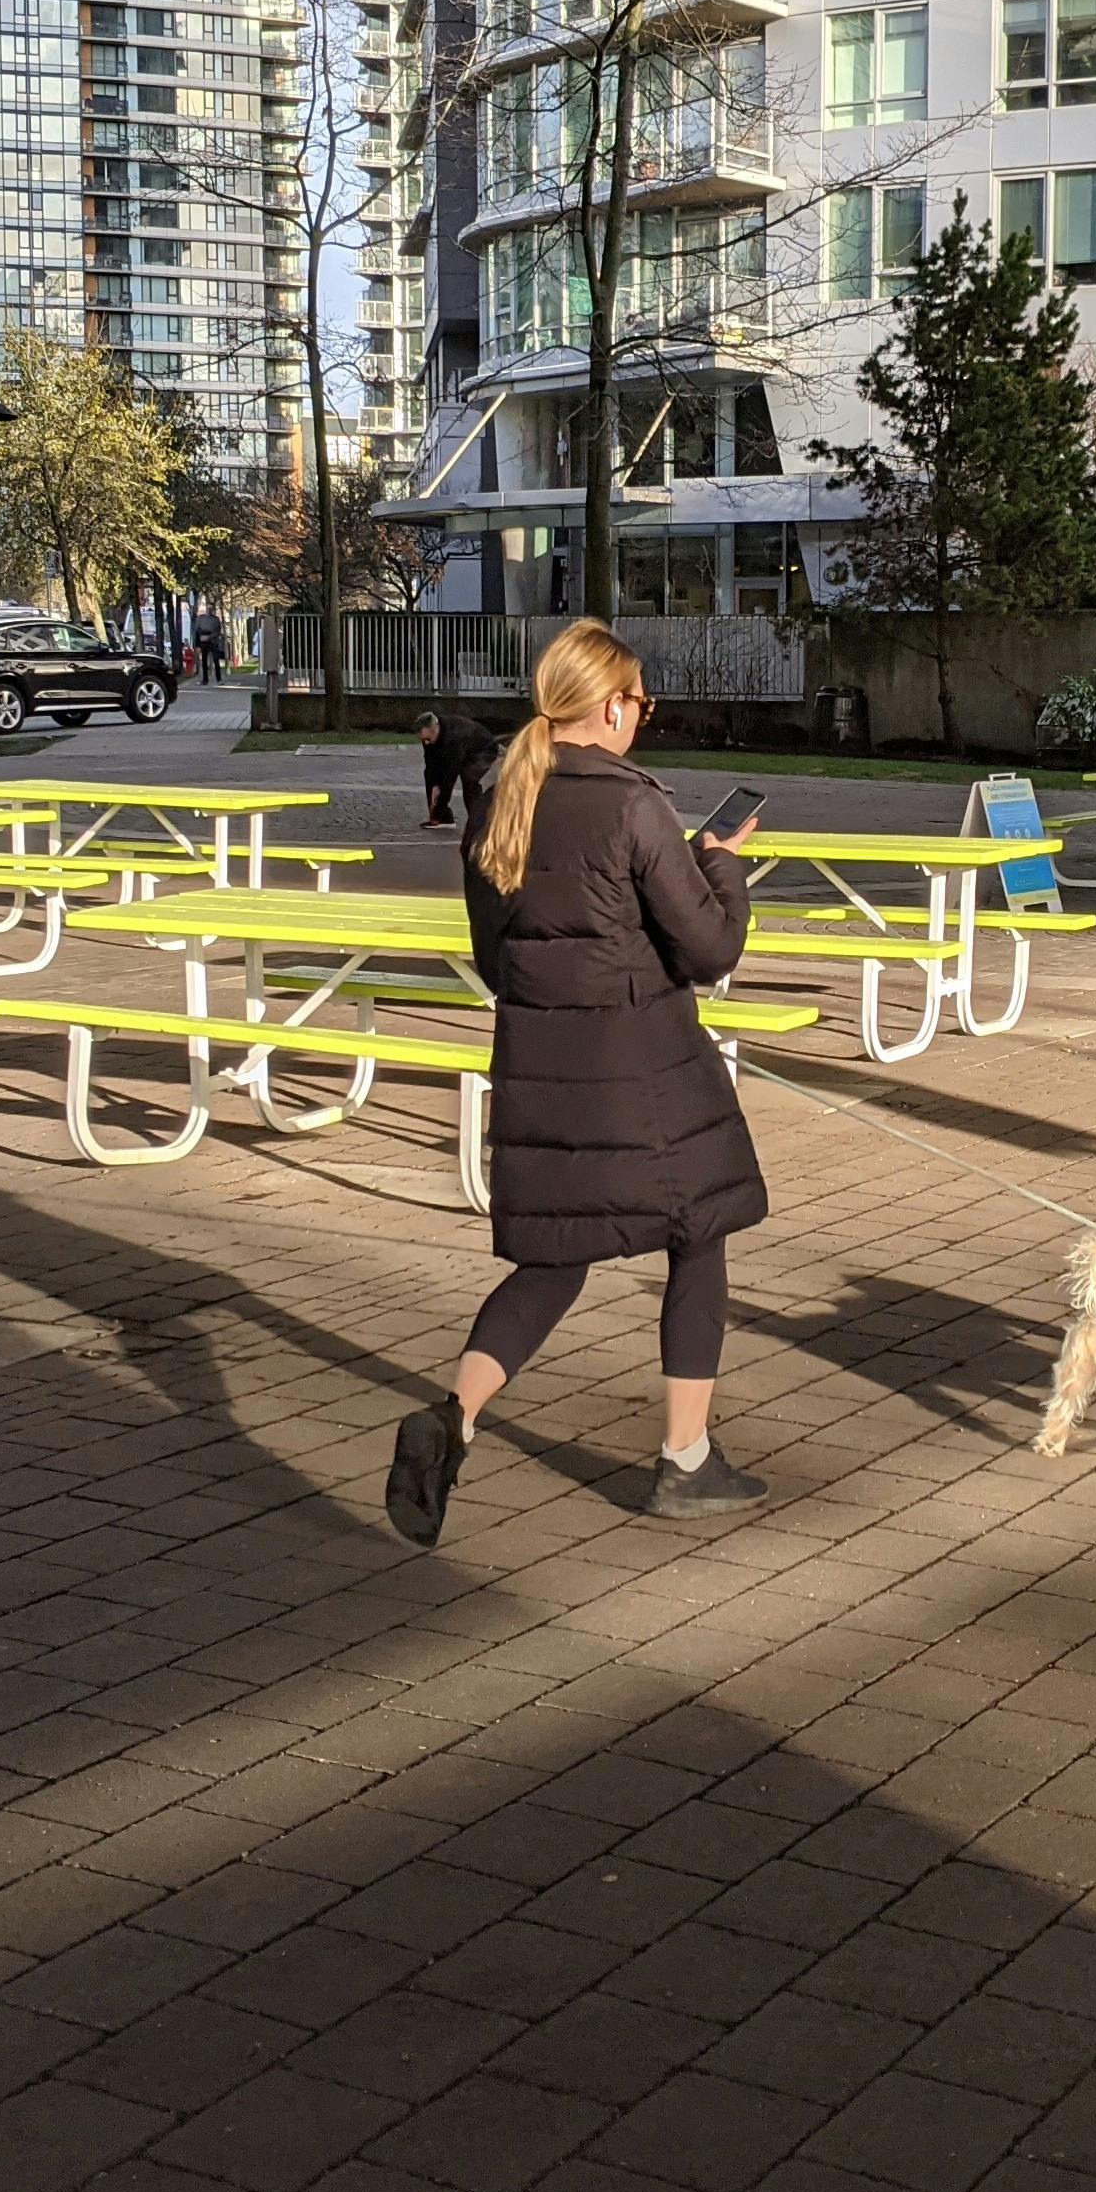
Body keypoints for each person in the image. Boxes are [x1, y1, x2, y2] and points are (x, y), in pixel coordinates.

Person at [388, 621, 767, 1544]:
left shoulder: (498, 801)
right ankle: (684, 1462)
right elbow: (711, 947)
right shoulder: (634, 807)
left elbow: (494, 954)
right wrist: (721, 859)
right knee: (699, 1232)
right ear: (609, 706)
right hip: (646, 1070)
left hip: (541, 1066)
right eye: (640, 702)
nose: (643, 716)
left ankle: (454, 1418)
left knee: (555, 1256)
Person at [416, 707, 502, 829]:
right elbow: (430, 761)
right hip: (464, 749)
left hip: (484, 749)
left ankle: (478, 822)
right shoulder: (429, 736)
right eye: (423, 740)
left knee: (469, 779)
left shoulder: (454, 738)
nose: (426, 743)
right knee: (429, 775)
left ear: (434, 730)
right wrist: (434, 784)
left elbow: (450, 774)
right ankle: (443, 817)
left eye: (428, 739)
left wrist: (441, 796)